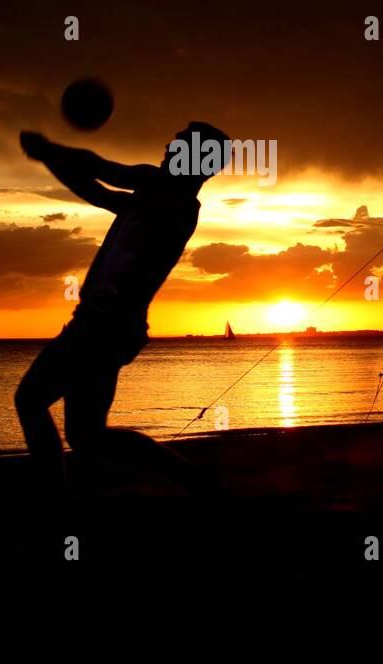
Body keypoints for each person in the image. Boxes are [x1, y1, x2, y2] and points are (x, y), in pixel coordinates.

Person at [13, 121, 229, 494]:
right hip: (109, 326)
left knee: (31, 400)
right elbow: (93, 190)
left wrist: (49, 150)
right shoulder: (159, 199)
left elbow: (101, 168)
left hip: (103, 326)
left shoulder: (164, 191)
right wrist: (49, 158)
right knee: (87, 436)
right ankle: (192, 478)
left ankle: (52, 495)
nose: (167, 145)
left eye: (178, 143)